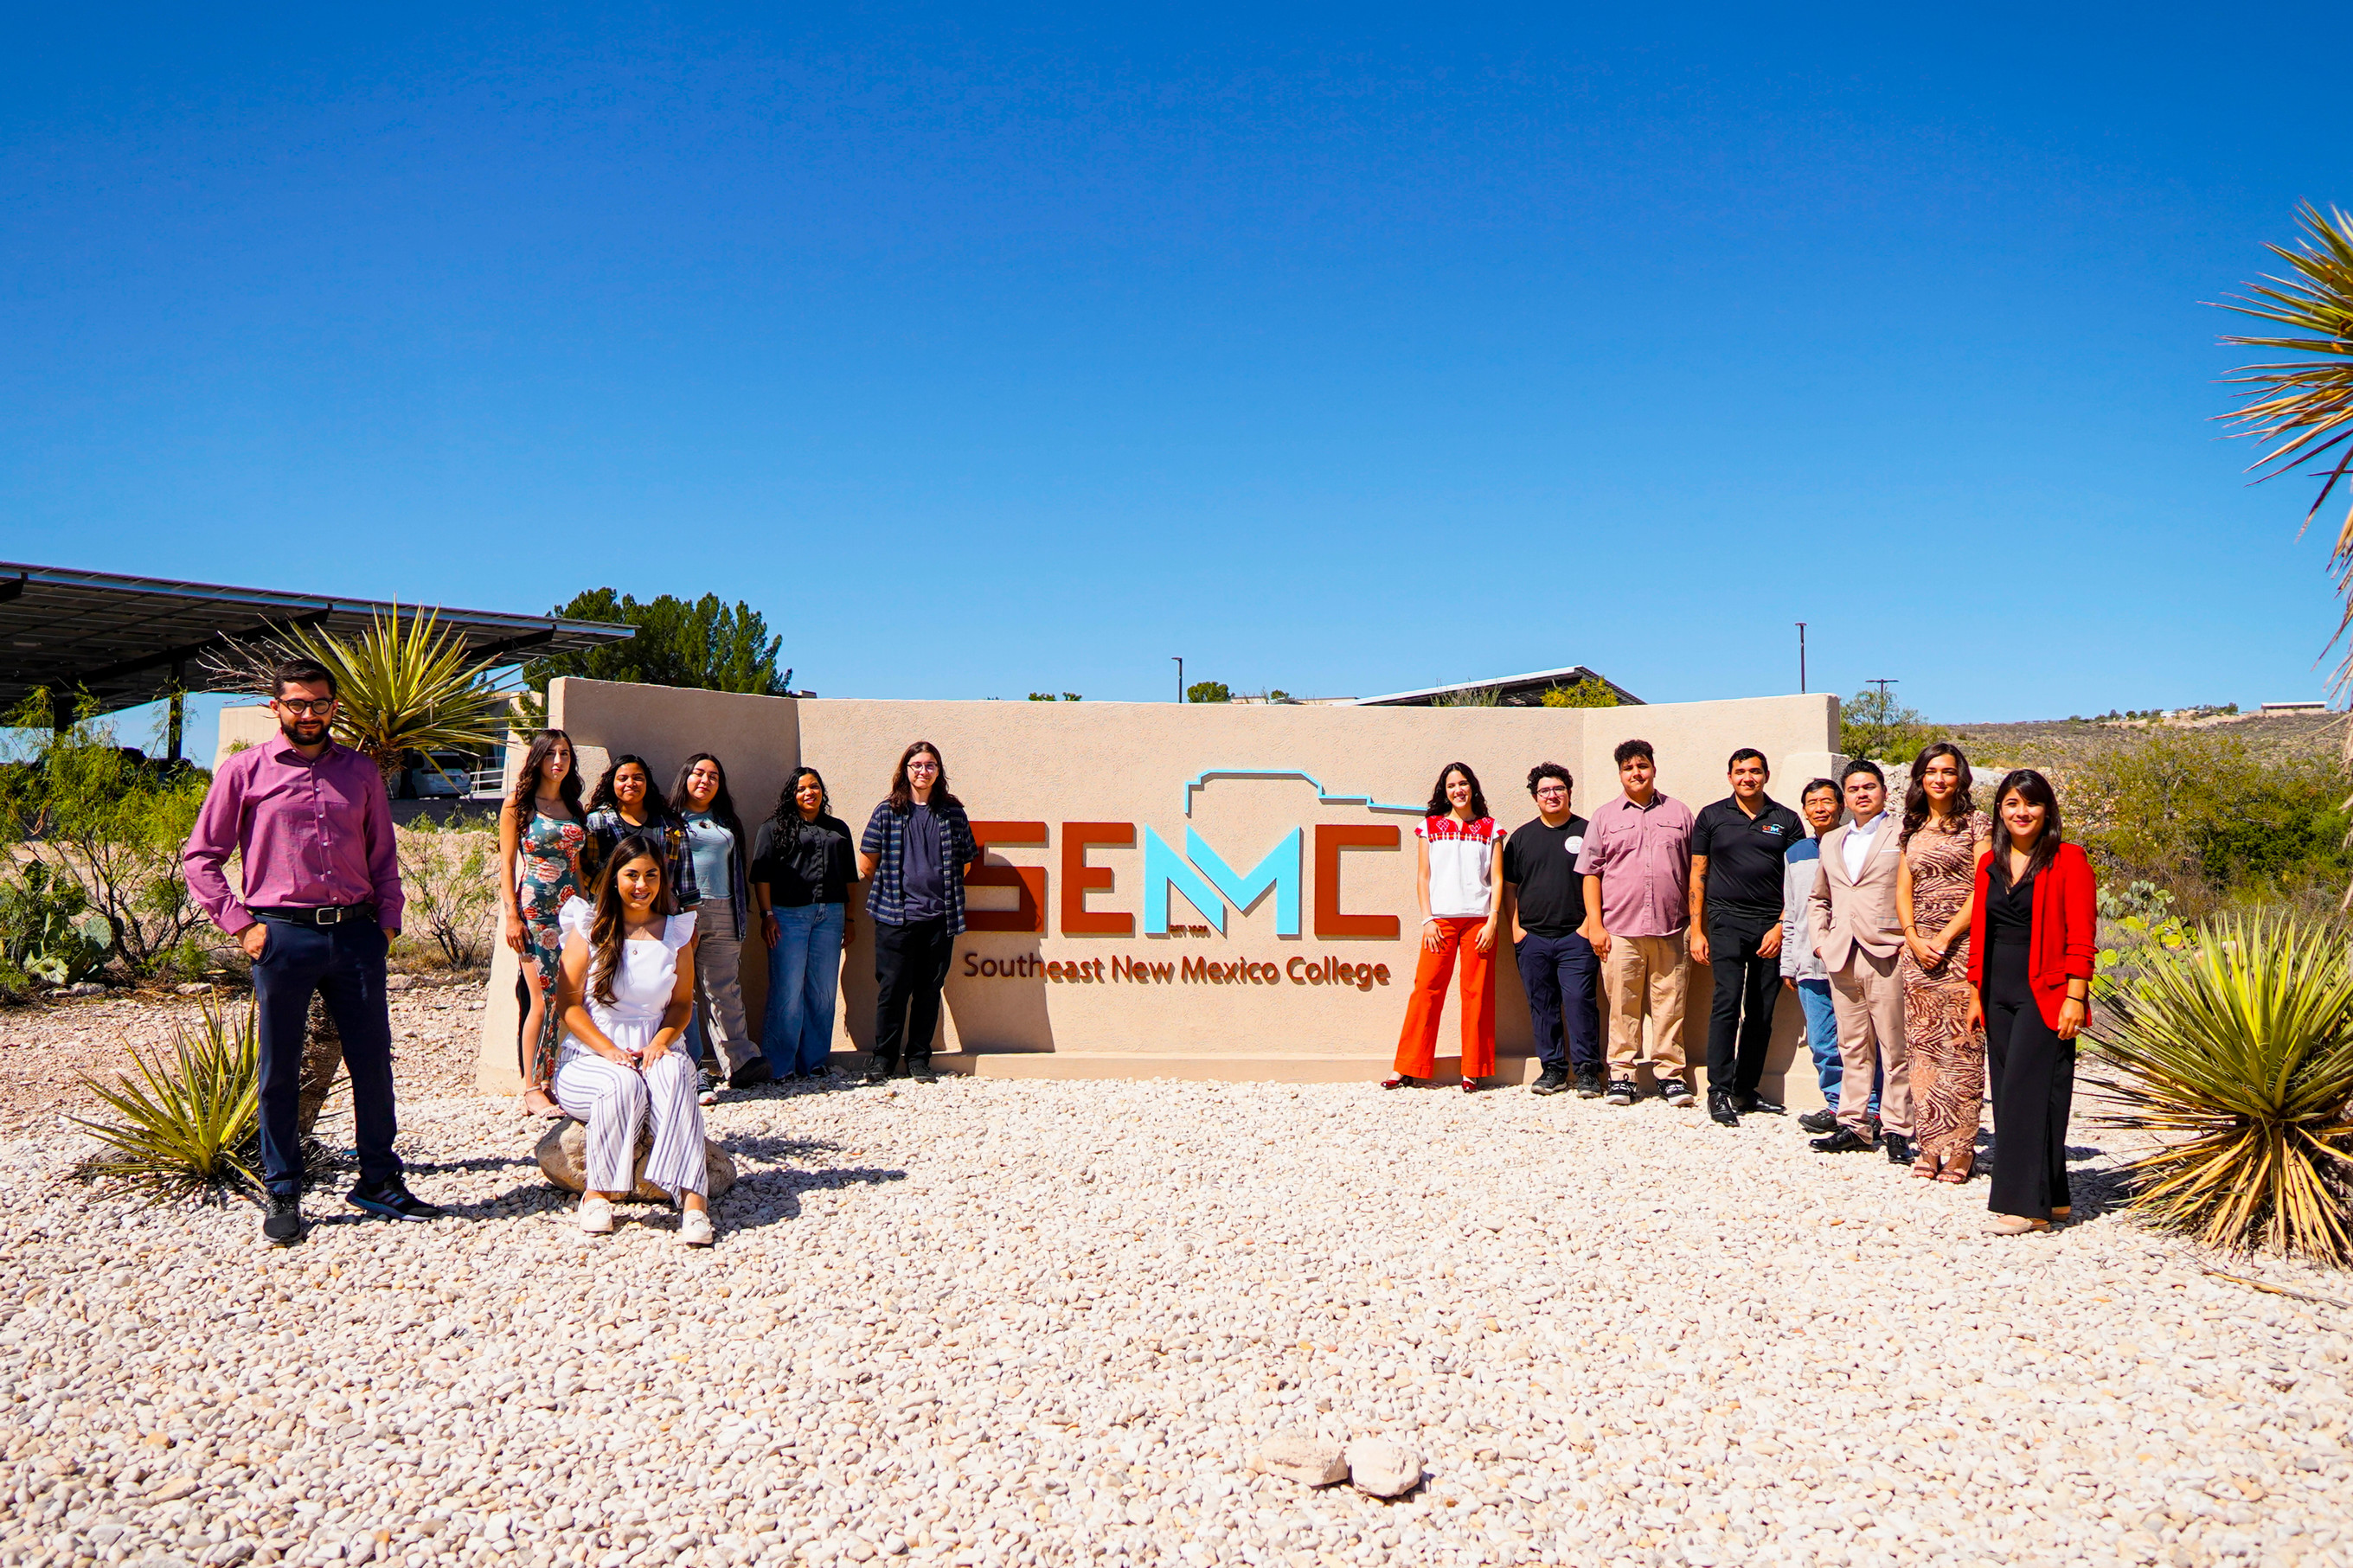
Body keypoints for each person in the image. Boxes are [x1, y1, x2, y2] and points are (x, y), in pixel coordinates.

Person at [183, 657, 444, 1245]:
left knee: (373, 1063)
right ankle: (282, 1189)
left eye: (319, 703)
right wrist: (242, 926)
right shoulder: (244, 771)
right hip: (281, 935)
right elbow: (201, 857)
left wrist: (387, 925)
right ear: (274, 707)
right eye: (297, 703)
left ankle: (378, 1179)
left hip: (356, 935)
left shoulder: (360, 772)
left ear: (334, 706)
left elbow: (382, 855)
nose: (308, 714)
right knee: (278, 1069)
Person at [550, 834, 715, 1245]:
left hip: (655, 1048)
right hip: (590, 1056)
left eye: (651, 875)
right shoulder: (590, 928)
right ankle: (598, 1195)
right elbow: (568, 1005)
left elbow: (680, 1006)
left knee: (679, 1075)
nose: (642, 885)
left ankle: (694, 1204)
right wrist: (608, 1051)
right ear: (614, 877)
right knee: (620, 1084)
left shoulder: (676, 932)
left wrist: (661, 1042)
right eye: (632, 875)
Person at [1967, 770, 2096, 1235]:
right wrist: (1974, 991)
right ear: (2000, 811)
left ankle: (2023, 1206)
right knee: (2013, 1094)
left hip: (2046, 991)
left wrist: (2076, 996)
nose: (2022, 813)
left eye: (2032, 804)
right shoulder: (1990, 865)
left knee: (2027, 1094)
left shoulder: (2069, 860)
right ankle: (2054, 1197)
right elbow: (1983, 931)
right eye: (2011, 804)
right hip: (1996, 992)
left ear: (2047, 811)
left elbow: (2082, 936)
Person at [1576, 739, 1698, 1108]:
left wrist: (1697, 926)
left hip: (1673, 928)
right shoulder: (1605, 817)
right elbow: (1590, 873)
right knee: (1623, 1006)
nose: (1636, 773)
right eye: (1628, 768)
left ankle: (1670, 1075)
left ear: (1654, 769)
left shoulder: (1679, 813)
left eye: (1642, 766)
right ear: (1620, 774)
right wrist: (1595, 926)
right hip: (1619, 930)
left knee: (1670, 1005)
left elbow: (1697, 871)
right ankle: (1622, 1075)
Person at [1807, 760, 1915, 1164]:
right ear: (1845, 797)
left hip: (1887, 951)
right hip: (1841, 956)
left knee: (1894, 1046)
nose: (1862, 795)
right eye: (1853, 789)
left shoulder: (1902, 833)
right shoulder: (1831, 840)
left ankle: (1898, 1129)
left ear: (1884, 792)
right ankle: (1854, 1124)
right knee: (1852, 1044)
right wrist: (1821, 941)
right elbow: (1819, 897)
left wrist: (1909, 939)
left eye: (1869, 787)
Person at [1689, 749, 1805, 1125]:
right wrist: (1698, 928)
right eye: (1740, 771)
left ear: (1766, 776)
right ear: (1730, 777)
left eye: (1754, 771)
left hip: (1770, 926)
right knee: (1726, 1004)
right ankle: (1718, 1091)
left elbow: (1797, 879)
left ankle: (1745, 1089)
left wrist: (1781, 925)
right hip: (1725, 922)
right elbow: (1698, 874)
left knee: (1761, 1011)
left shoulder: (1786, 820)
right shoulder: (1711, 816)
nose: (1748, 778)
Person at [856, 741, 982, 1084]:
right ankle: (883, 1058)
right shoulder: (887, 811)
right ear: (905, 770)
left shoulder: (952, 813)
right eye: (916, 765)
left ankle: (919, 1059)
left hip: (940, 918)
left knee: (929, 990)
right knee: (892, 989)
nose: (922, 771)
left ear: (938, 771)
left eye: (929, 766)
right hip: (895, 918)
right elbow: (867, 863)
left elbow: (967, 862)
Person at [1896, 744, 1993, 1181]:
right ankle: (1929, 1144)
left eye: (1948, 772)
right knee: (1923, 1051)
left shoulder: (1977, 824)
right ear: (1920, 778)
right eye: (1931, 771)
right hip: (1918, 957)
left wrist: (1946, 935)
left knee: (1962, 1049)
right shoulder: (1912, 827)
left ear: (1961, 778)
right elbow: (1903, 890)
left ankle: (1961, 1148)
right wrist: (1914, 939)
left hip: (1962, 949)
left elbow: (1984, 885)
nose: (1939, 779)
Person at [1384, 763, 1508, 1092]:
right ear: (1445, 791)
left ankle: (1474, 1070)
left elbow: (1496, 879)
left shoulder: (1491, 829)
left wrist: (1493, 920)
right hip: (1439, 922)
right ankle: (1408, 1067)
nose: (1458, 790)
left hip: (1479, 922)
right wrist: (1427, 919)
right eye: (1451, 785)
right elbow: (1422, 877)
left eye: (1463, 783)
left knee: (1477, 995)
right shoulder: (1429, 827)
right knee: (1426, 990)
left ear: (1473, 787)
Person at [498, 729, 591, 1118]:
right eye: (551, 753)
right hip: (535, 911)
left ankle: (557, 1079)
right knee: (541, 998)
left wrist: (589, 912)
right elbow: (505, 865)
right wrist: (512, 916)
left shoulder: (575, 807)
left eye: (565, 753)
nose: (559, 760)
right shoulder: (517, 806)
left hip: (573, 910)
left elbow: (580, 867)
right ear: (537, 758)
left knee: (571, 996)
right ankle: (532, 1087)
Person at [1784, 779, 1879, 1136]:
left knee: (1864, 1040)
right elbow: (1792, 911)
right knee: (1824, 1043)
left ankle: (1872, 1108)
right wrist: (1789, 963)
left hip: (1853, 961)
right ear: (1804, 811)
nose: (1820, 807)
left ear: (1841, 806)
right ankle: (1837, 1105)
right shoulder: (1795, 853)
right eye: (1812, 802)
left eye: (1827, 801)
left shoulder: (1854, 846)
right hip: (1810, 963)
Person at [1501, 763, 1603, 1098]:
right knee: (1542, 1005)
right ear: (1535, 797)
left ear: (1569, 792)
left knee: (1579, 1002)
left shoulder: (1588, 832)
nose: (1552, 795)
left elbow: (1600, 881)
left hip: (1577, 937)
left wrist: (1589, 927)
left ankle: (1587, 1071)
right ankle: (1554, 1070)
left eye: (1558, 789)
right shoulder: (1521, 838)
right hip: (1533, 939)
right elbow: (1510, 887)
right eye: (1544, 791)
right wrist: (1516, 930)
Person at [672, 752, 768, 1097]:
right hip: (682, 910)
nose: (705, 780)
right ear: (685, 777)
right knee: (681, 990)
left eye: (713, 776)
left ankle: (740, 1062)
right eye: (698, 773)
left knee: (723, 987)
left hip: (726, 909)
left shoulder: (726, 821)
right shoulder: (668, 820)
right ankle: (687, 1064)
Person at [753, 767, 858, 1079]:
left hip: (831, 916)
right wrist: (767, 914)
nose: (808, 793)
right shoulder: (773, 829)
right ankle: (780, 1065)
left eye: (814, 787)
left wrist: (850, 918)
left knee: (822, 992)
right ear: (791, 794)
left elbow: (850, 877)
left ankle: (813, 1062)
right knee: (787, 990)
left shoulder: (838, 829)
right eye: (801, 789)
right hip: (788, 916)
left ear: (822, 792)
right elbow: (761, 876)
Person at [584, 754, 699, 910]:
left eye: (638, 778)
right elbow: (584, 868)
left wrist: (691, 923)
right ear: (612, 784)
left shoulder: (670, 826)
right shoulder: (596, 822)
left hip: (661, 913)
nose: (630, 783)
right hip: (611, 914)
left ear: (647, 783)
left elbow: (686, 878)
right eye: (623, 778)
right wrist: (611, 891)